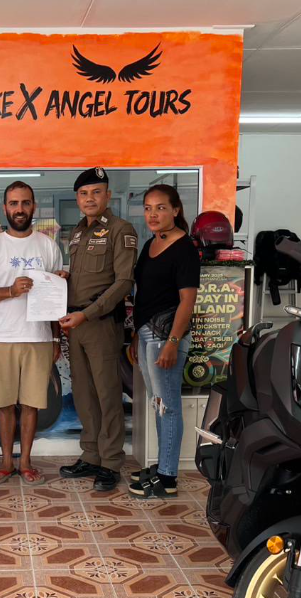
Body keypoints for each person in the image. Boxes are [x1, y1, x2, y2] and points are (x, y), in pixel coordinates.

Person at [0, 181, 63, 486]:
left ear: (33, 207)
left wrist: (56, 337)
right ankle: (6, 463)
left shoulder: (48, 246)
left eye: (25, 203)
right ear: (5, 208)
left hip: (39, 338)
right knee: (5, 404)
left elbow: (57, 297)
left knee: (31, 404)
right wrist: (9, 290)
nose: (19, 209)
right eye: (13, 203)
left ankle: (26, 464)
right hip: (3, 337)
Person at [58, 168, 138, 492]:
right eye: (83, 193)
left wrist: (87, 314)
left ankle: (111, 461)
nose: (89, 199)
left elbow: (124, 282)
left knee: (107, 395)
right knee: (84, 394)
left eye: (96, 192)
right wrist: (62, 282)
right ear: (77, 198)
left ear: (108, 195)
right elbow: (83, 280)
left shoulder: (121, 229)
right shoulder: (77, 232)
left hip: (101, 323)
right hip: (76, 324)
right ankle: (91, 455)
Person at [129, 184, 199, 498]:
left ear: (175, 210)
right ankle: (162, 466)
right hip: (146, 333)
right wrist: (136, 334)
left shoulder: (185, 248)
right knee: (158, 404)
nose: (153, 214)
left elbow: (187, 301)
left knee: (168, 406)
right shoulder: (151, 244)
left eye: (160, 207)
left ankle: (167, 477)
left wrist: (172, 342)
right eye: (148, 208)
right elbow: (145, 294)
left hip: (165, 336)